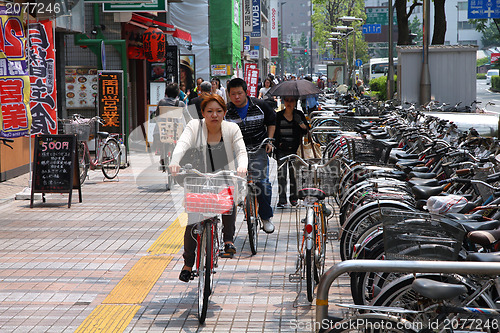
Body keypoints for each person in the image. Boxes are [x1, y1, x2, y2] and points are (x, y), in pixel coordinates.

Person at [169, 94, 248, 282]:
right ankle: (188, 264)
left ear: (224, 113)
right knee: (193, 217)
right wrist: (174, 161)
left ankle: (228, 240)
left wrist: (242, 166)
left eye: (219, 111)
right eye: (210, 111)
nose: (214, 115)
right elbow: (182, 144)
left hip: (224, 174)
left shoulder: (232, 129)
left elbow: (241, 151)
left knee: (229, 196)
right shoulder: (194, 127)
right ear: (203, 113)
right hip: (197, 173)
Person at [226, 78, 276, 233]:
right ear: (228, 94)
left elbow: (272, 120)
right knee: (230, 187)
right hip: (236, 152)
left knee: (263, 183)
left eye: (239, 93)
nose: (236, 97)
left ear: (246, 92)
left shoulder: (259, 105)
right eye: (233, 94)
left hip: (258, 149)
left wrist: (269, 140)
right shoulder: (226, 110)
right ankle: (228, 229)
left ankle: (265, 218)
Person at [274, 96, 309, 208]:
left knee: (294, 175)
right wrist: (275, 144)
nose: (289, 103)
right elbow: (274, 131)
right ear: (283, 101)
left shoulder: (298, 114)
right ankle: (282, 199)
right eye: (287, 100)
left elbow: (306, 131)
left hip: (295, 150)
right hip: (281, 150)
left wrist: (301, 123)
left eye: (291, 100)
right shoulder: (278, 115)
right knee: (282, 175)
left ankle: (294, 198)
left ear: (295, 102)